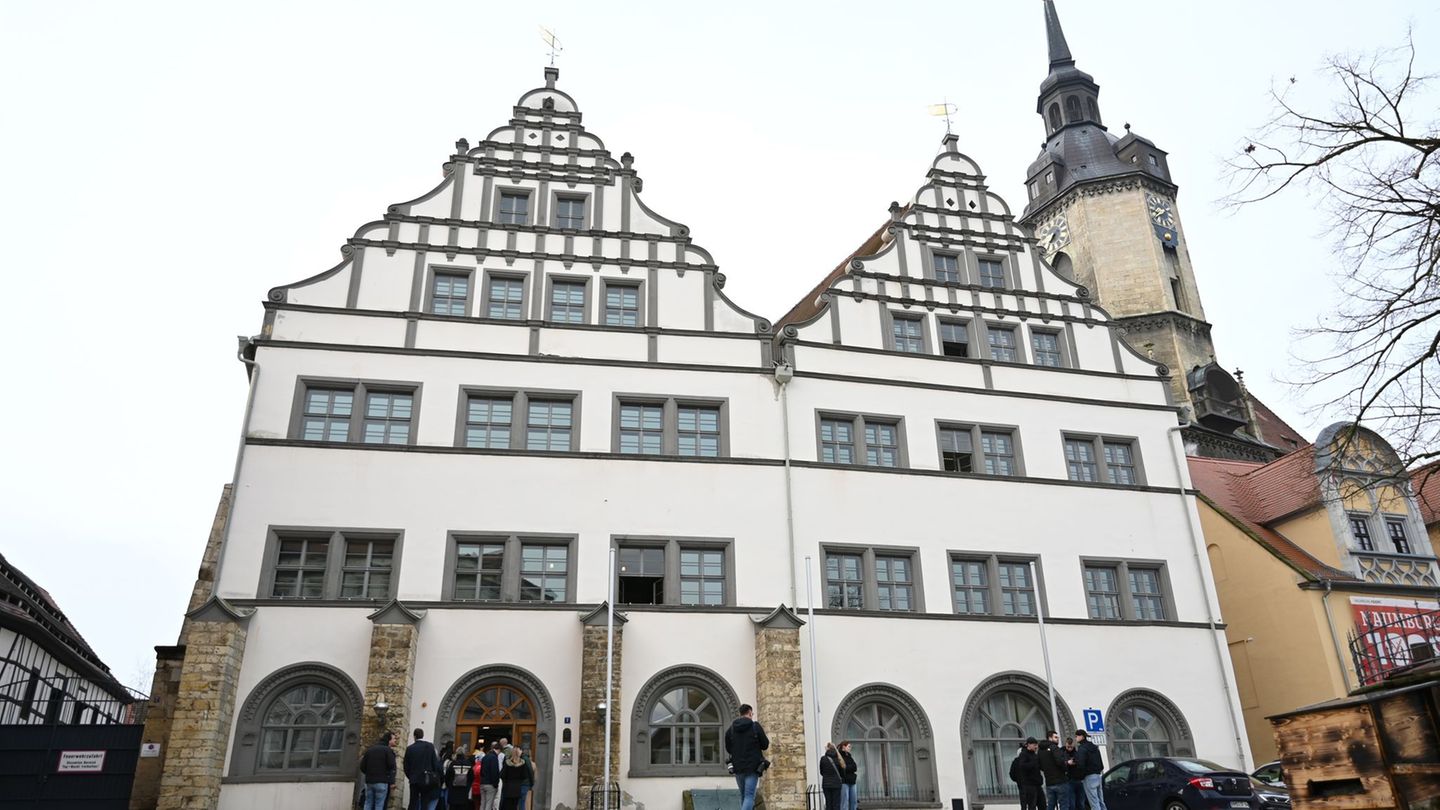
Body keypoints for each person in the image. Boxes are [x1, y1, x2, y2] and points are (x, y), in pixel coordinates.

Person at [723, 703, 770, 810]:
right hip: (753, 767)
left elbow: (729, 749)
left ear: (740, 714)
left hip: (737, 767)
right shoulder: (755, 726)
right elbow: (765, 745)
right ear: (749, 713)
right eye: (752, 713)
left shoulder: (731, 729)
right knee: (749, 797)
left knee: (744, 796)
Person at [405, 728, 443, 810]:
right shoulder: (430, 746)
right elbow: (434, 763)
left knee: (413, 802)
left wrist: (410, 776)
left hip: (414, 779)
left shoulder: (410, 748)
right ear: (423, 735)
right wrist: (433, 775)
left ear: (414, 736)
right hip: (426, 779)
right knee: (424, 802)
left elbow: (406, 766)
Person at [359, 731, 398, 810]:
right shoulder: (388, 751)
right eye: (394, 739)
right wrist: (392, 782)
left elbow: (362, 766)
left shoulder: (370, 750)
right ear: (389, 740)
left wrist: (369, 774)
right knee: (379, 805)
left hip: (369, 781)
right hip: (382, 782)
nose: (395, 740)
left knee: (368, 803)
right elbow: (392, 767)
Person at [1074, 730, 1106, 810]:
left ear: (1081, 736)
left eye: (1076, 736)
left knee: (1094, 803)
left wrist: (1080, 776)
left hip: (1088, 777)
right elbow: (1101, 763)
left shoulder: (1082, 748)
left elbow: (1081, 764)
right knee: (1101, 801)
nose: (1075, 738)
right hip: (1098, 775)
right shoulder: (1094, 747)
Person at [1010, 737, 1045, 810]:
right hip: (1029, 785)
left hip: (1037, 784)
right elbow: (1022, 766)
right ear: (1029, 745)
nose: (1036, 747)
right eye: (1034, 745)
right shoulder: (1024, 754)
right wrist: (1033, 763)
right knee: (1032, 805)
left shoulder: (1035, 755)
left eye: (1036, 745)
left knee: (1042, 804)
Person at [1039, 731, 1070, 810]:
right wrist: (1066, 768)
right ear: (1050, 738)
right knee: (1064, 805)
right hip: (1060, 781)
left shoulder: (1040, 750)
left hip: (1049, 782)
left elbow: (1040, 766)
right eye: (1055, 737)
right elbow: (1060, 761)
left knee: (1051, 805)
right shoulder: (1054, 748)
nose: (1058, 739)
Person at [499, 745, 529, 810]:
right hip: (517, 788)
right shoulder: (523, 763)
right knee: (514, 806)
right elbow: (525, 776)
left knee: (506, 806)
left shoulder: (507, 762)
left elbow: (502, 775)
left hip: (508, 787)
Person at [448, 744, 474, 809]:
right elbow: (471, 777)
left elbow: (447, 776)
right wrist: (468, 785)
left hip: (453, 790)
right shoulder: (468, 763)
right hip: (464, 790)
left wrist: (449, 785)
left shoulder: (453, 763)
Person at [1063, 738, 1087, 810]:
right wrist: (1067, 763)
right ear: (1066, 744)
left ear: (1073, 744)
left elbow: (1083, 764)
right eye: (1068, 746)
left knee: (1081, 804)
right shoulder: (1063, 754)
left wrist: (1076, 762)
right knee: (1072, 804)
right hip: (1069, 780)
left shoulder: (1078, 753)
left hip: (1079, 780)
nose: (1070, 748)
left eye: (1071, 746)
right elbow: (1061, 765)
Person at [477, 741, 502, 810]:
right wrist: (495, 785)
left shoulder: (485, 757)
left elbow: (481, 771)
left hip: (482, 783)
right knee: (489, 804)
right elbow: (494, 772)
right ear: (499, 750)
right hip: (490, 785)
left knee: (483, 803)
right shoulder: (494, 758)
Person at [820, 742, 844, 810]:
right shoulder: (838, 758)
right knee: (836, 804)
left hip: (826, 784)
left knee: (828, 804)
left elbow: (821, 772)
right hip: (836, 784)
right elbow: (842, 773)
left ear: (827, 748)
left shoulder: (823, 759)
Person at [838, 741, 858, 810]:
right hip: (844, 781)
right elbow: (842, 768)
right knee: (845, 801)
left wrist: (847, 767)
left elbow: (855, 767)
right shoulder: (839, 756)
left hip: (852, 781)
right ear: (844, 747)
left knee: (854, 801)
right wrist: (849, 768)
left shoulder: (849, 756)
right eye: (849, 746)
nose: (850, 748)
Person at [439, 741, 454, 810]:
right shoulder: (450, 754)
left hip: (441, 777)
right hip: (447, 779)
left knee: (441, 796)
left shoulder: (443, 753)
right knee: (446, 796)